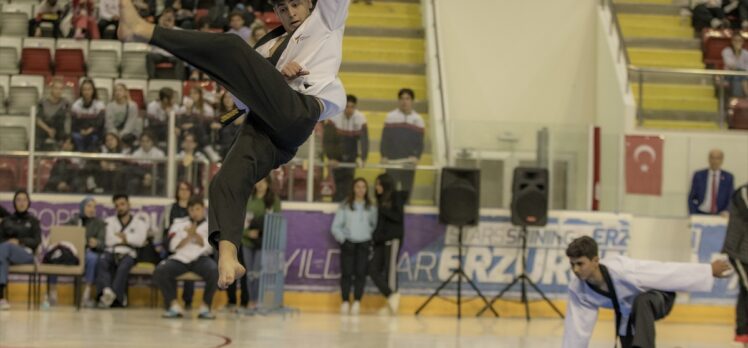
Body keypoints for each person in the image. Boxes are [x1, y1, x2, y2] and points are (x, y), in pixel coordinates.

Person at [116, 0, 349, 288]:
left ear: (311, 5)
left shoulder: (326, 19)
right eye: (283, 9)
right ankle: (228, 256)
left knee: (231, 47)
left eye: (296, 5)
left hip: (298, 111)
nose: (291, 13)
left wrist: (278, 84)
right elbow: (240, 100)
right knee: (225, 181)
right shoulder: (265, 48)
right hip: (265, 124)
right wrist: (273, 79)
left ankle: (143, 29)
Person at [562, 236, 731, 348]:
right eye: (572, 264)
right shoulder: (578, 289)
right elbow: (576, 329)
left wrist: (707, 270)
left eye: (580, 264)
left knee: (641, 301)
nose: (575, 270)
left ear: (595, 261)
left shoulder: (622, 269)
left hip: (659, 296)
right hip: (629, 314)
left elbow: (664, 272)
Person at [154, 197, 217, 319]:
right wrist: (188, 236)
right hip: (181, 259)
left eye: (198, 209)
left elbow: (209, 248)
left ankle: (205, 306)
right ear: (188, 210)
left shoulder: (211, 225)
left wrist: (196, 234)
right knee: (161, 270)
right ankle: (173, 305)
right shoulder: (178, 223)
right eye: (192, 210)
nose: (195, 212)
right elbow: (172, 246)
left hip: (200, 258)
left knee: (214, 270)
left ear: (203, 210)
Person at [46, 197, 107, 307]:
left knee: (92, 258)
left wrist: (96, 243)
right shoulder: (74, 220)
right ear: (82, 207)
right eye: (89, 206)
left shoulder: (99, 224)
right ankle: (52, 291)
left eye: (94, 207)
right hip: (72, 252)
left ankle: (86, 293)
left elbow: (102, 243)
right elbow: (63, 232)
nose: (91, 209)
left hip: (88, 252)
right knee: (55, 256)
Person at [331, 178, 376, 316]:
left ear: (367, 189)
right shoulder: (345, 205)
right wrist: (343, 240)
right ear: (353, 188)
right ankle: (345, 301)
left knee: (360, 273)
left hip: (364, 243)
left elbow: (374, 225)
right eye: (358, 186)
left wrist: (368, 238)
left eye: (363, 187)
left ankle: (357, 301)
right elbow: (335, 227)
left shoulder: (371, 207)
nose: (361, 190)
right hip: (349, 243)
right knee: (347, 273)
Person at [97, 194, 149, 308]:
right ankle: (107, 291)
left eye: (122, 204)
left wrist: (124, 237)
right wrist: (129, 238)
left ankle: (114, 296)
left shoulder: (139, 222)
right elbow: (109, 240)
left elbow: (140, 240)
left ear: (128, 205)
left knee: (124, 267)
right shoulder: (109, 221)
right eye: (117, 206)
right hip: (112, 251)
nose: (120, 208)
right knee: (102, 261)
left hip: (129, 253)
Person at [238, 175, 280, 313]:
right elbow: (240, 222)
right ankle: (252, 300)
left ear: (268, 183)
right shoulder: (248, 200)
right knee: (250, 273)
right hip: (247, 242)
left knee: (257, 272)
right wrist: (247, 233)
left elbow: (276, 223)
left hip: (264, 243)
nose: (260, 184)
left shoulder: (273, 201)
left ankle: (258, 300)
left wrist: (264, 233)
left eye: (263, 181)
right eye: (258, 181)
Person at [369, 173, 405, 315]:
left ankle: (391, 306)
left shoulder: (396, 197)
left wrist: (381, 209)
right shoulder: (379, 200)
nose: (376, 187)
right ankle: (391, 296)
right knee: (373, 269)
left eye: (378, 184)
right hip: (381, 241)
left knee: (390, 272)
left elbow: (398, 217)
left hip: (393, 239)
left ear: (385, 184)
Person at [380, 88, 424, 203]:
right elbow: (385, 139)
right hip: (392, 162)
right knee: (390, 192)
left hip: (408, 162)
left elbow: (420, 142)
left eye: (407, 99)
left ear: (412, 101)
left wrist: (417, 157)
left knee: (406, 192)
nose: (405, 101)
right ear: (399, 101)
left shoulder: (418, 119)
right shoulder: (390, 117)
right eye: (402, 99)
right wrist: (384, 155)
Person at [0, 190, 41, 310]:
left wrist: (19, 242)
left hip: (26, 253)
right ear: (14, 202)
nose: (21, 203)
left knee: (4, 250)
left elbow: (36, 241)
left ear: (28, 202)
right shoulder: (7, 220)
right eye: (18, 200)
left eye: (24, 200)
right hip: (5, 253)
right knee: (2, 259)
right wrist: (8, 243)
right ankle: (1, 299)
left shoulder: (33, 221)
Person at [323, 94, 369, 202]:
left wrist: (362, 158)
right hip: (336, 157)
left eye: (352, 107)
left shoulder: (361, 118)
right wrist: (331, 158)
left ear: (355, 107)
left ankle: (347, 206)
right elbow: (328, 140)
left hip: (351, 157)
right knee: (336, 188)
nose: (349, 109)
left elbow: (364, 141)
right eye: (347, 106)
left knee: (348, 187)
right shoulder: (333, 117)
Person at [722, 183, 748, 346]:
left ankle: (743, 333)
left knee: (745, 292)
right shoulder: (744, 191)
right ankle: (743, 332)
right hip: (740, 252)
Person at [688, 149, 735, 215]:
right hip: (701, 213)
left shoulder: (728, 177)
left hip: (720, 215)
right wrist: (693, 213)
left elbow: (731, 198)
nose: (715, 161)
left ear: (722, 160)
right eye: (712, 158)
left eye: (718, 158)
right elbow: (692, 197)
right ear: (708, 159)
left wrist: (726, 211)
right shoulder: (699, 175)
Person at [145, 8, 185, 80]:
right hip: (158, 54)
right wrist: (161, 27)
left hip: (172, 55)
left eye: (169, 18)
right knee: (149, 56)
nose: (167, 20)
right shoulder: (156, 29)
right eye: (165, 17)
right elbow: (150, 43)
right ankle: (152, 79)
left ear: (173, 19)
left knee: (180, 59)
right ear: (162, 17)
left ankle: (179, 81)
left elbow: (180, 45)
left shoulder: (178, 31)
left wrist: (170, 29)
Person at [71, 79, 106, 152]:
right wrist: (81, 130)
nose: (87, 92)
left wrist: (91, 130)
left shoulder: (100, 105)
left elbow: (100, 123)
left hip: (94, 132)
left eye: (89, 89)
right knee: (75, 136)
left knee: (94, 138)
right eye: (84, 89)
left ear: (93, 91)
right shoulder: (76, 105)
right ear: (81, 91)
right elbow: (74, 123)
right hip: (80, 132)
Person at [36, 78, 70, 150]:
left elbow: (68, 120)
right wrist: (49, 130)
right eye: (56, 88)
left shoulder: (65, 103)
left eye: (60, 89)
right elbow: (38, 120)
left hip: (59, 129)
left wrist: (68, 139)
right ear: (51, 89)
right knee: (38, 133)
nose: (58, 91)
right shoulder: (43, 102)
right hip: (44, 129)